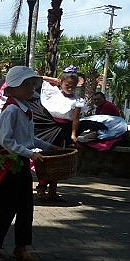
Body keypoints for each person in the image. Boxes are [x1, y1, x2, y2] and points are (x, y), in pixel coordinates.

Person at [0, 66, 57, 261]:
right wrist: (30, 153)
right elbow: (6, 140)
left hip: (21, 163)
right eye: (26, 84)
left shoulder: (25, 109)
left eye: (32, 84)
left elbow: (29, 138)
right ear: (12, 89)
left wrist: (49, 147)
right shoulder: (11, 110)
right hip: (9, 165)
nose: (31, 88)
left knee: (26, 207)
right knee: (6, 206)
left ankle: (21, 247)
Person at [32, 66, 83, 203]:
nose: (70, 88)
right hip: (47, 126)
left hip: (63, 131)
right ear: (61, 83)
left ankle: (53, 191)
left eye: (73, 86)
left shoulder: (77, 100)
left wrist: (73, 134)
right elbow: (39, 78)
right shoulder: (53, 92)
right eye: (67, 85)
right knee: (46, 158)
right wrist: (56, 80)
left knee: (58, 160)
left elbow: (75, 119)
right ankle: (41, 188)